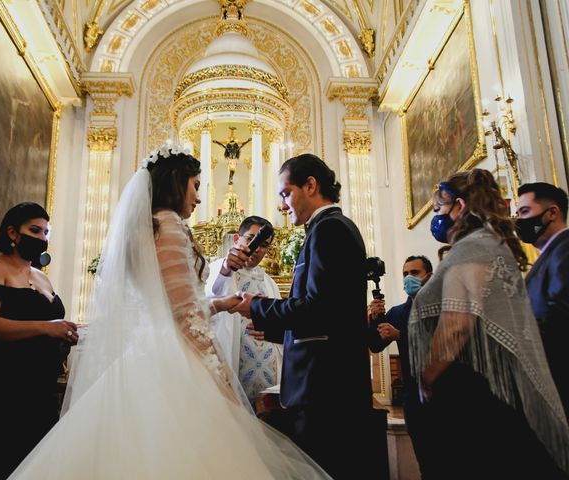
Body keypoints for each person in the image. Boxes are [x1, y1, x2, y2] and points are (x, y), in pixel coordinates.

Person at [7, 146, 331, 479]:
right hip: (176, 360)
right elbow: (186, 315)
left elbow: (166, 303)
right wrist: (219, 373)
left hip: (147, 353)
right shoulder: (170, 226)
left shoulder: (145, 228)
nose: (199, 198)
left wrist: (220, 303)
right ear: (176, 184)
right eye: (195, 186)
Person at [410, 169, 569, 479]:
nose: (438, 217)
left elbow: (457, 323)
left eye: (440, 209)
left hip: (467, 392)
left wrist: (427, 375)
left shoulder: (474, 248)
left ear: (459, 207)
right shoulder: (487, 244)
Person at [232, 154, 380, 479]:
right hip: (323, 382)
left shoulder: (330, 230)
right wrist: (272, 330)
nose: (283, 206)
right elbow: (327, 317)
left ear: (310, 185)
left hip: (326, 388)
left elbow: (319, 308)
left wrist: (258, 307)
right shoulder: (324, 229)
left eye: (286, 193)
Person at [0, 202, 78, 479]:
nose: (42, 238)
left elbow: (51, 323)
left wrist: (69, 331)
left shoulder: (41, 277)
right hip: (6, 383)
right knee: (0, 461)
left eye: (46, 232)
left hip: (41, 385)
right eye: (35, 230)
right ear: (13, 233)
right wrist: (45, 327)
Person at [368, 255, 434, 479]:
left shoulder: (440, 307)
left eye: (414, 273)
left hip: (441, 393)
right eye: (405, 274)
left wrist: (400, 335)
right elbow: (376, 345)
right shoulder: (397, 312)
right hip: (413, 395)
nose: (408, 278)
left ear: (429, 277)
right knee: (425, 458)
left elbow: (437, 343)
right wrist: (375, 319)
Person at [205, 215, 283, 401]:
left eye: (264, 245)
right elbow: (211, 294)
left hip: (267, 371)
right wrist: (226, 268)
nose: (257, 249)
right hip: (232, 361)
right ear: (236, 239)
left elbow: (281, 321)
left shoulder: (270, 282)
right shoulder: (217, 269)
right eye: (251, 239)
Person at [516, 182, 569, 417]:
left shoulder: (565, 250)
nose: (519, 220)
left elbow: (559, 313)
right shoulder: (548, 255)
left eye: (525, 212)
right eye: (517, 213)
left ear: (553, 213)